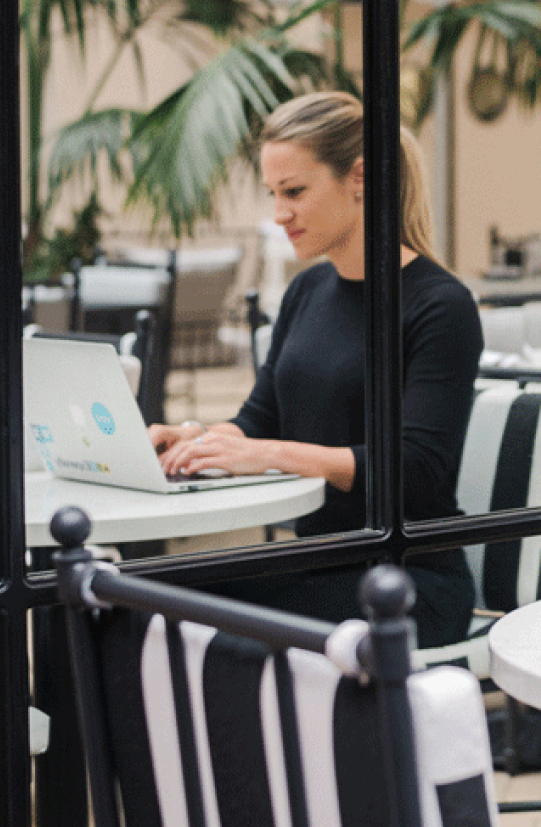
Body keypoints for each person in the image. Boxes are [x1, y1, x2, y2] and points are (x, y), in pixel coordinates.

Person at [148, 92, 483, 648]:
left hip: (405, 583)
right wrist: (194, 440)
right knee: (111, 596)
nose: (280, 214)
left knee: (165, 613)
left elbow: (416, 467)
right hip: (319, 564)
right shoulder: (307, 291)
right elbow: (259, 418)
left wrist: (270, 454)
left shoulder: (439, 305)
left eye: (295, 192)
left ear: (359, 178)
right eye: (274, 195)